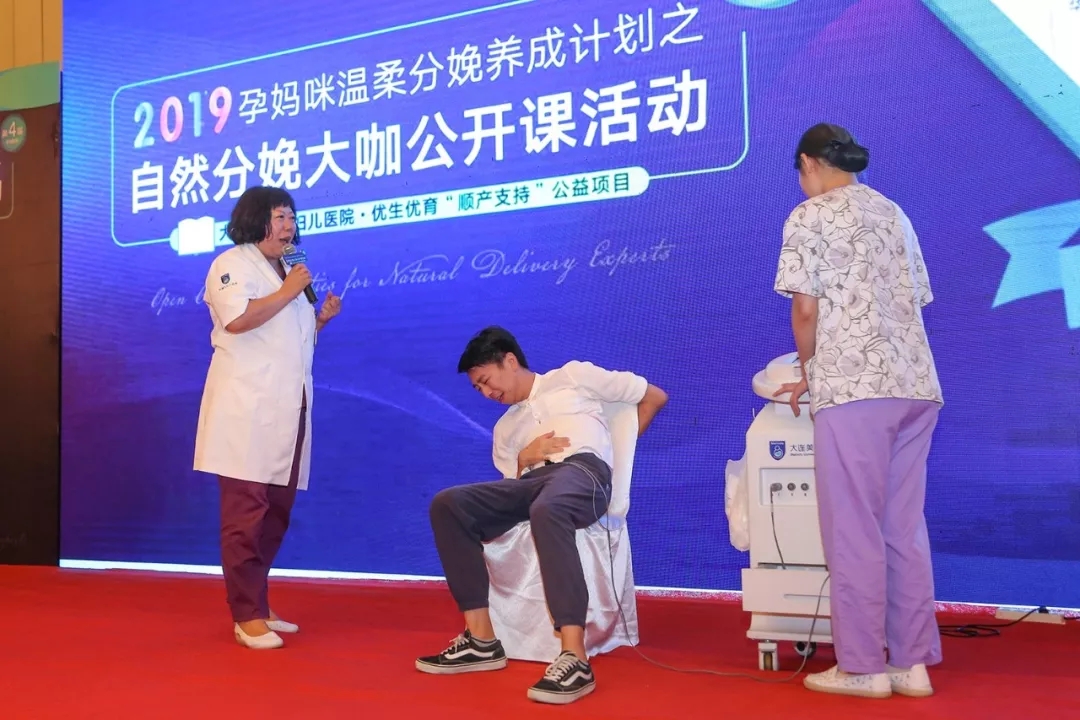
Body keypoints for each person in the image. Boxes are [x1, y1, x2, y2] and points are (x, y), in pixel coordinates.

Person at [773, 123, 944, 699]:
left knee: (853, 530)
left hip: (853, 388)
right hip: (915, 385)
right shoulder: (895, 213)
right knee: (903, 530)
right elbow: (915, 299)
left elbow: (805, 310)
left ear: (808, 163)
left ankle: (863, 666)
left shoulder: (810, 215)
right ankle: (911, 665)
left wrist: (810, 371)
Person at [416, 327, 668, 705]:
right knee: (448, 504)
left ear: (510, 361)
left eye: (486, 380)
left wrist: (616, 454)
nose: (486, 393)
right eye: (478, 388)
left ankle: (574, 656)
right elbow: (511, 485)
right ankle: (482, 640)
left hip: (583, 473)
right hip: (532, 482)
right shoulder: (505, 429)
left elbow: (654, 397)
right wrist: (524, 458)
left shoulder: (573, 377)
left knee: (548, 508)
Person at [193, 186, 342, 650]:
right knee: (246, 515)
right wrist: (288, 290)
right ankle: (244, 615)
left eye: (292, 217)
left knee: (275, 514)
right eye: (280, 216)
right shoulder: (232, 264)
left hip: (288, 411)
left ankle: (258, 602)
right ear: (255, 218)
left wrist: (318, 321)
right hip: (246, 410)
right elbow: (238, 320)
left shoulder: (285, 273)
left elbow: (287, 343)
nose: (289, 226)